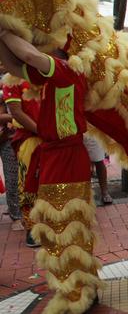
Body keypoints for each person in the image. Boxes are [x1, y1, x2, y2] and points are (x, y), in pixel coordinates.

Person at [0, 27, 102, 312]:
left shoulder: (64, 69)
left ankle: (75, 294)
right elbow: (14, 65)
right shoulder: (54, 72)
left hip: (66, 158)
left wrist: (4, 30)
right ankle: (85, 286)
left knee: (63, 227)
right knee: (68, 226)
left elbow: (29, 54)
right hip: (59, 156)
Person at [2, 70, 41, 242]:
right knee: (26, 182)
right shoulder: (10, 80)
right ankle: (31, 227)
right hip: (26, 139)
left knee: (51, 181)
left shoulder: (41, 72)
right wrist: (41, 130)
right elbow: (16, 112)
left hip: (52, 138)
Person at [0, 87, 21, 232]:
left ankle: (17, 214)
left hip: (10, 139)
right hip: (6, 137)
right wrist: (18, 117)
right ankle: (15, 215)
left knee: (14, 178)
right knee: (12, 178)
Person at [83, 134, 111, 204]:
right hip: (77, 131)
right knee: (81, 163)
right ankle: (85, 193)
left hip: (93, 131)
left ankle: (104, 192)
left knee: (99, 160)